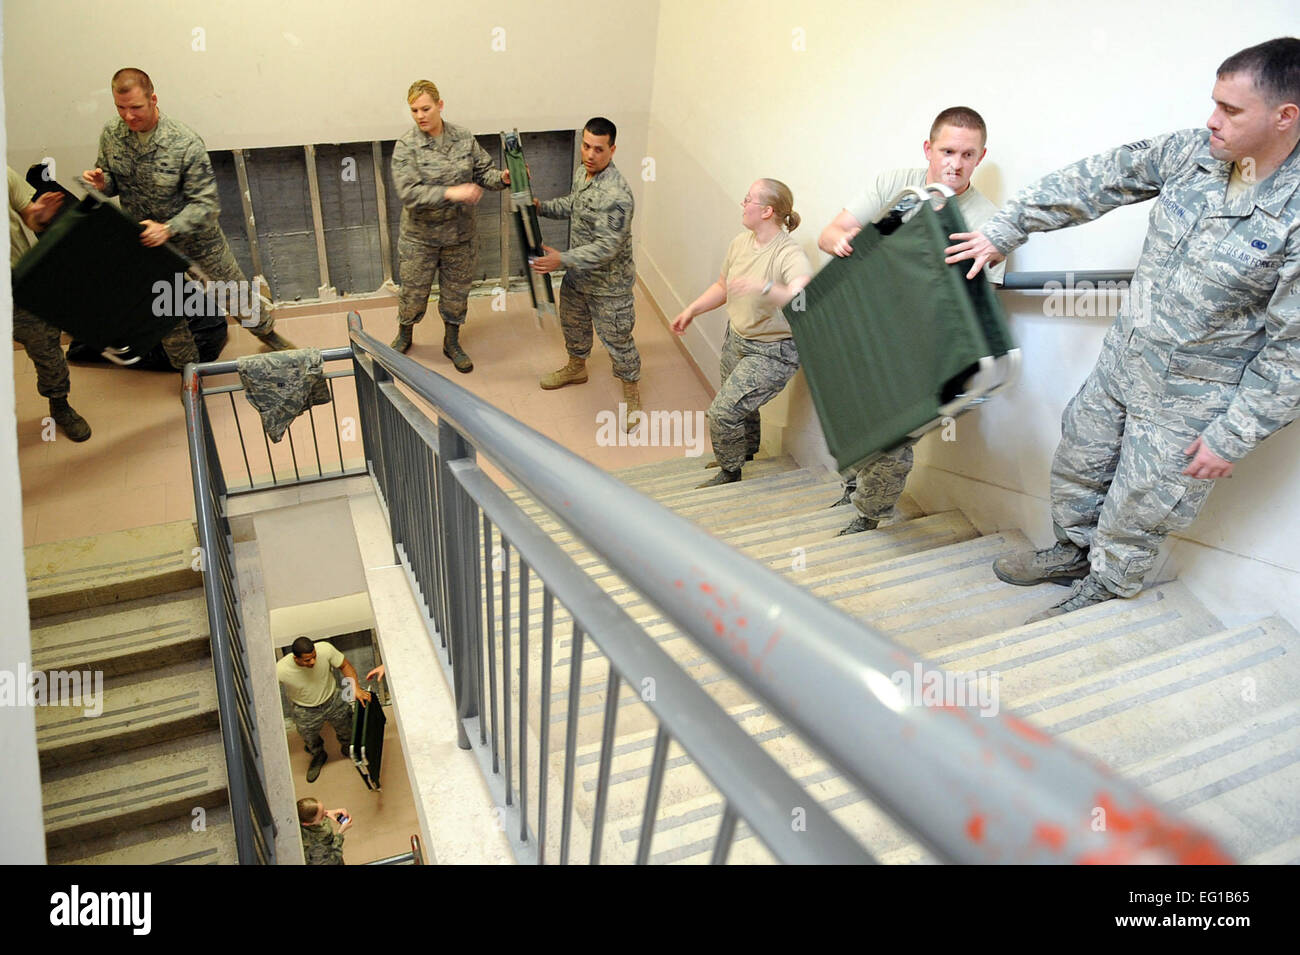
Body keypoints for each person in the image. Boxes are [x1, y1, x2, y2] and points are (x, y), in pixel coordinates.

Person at [945, 37, 1300, 623]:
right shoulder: (1194, 154)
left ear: (1285, 116)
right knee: (1079, 459)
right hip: (1124, 361)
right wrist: (1008, 227)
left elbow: (1292, 353)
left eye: (1231, 110)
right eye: (1213, 102)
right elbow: (1095, 181)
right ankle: (1071, 552)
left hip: (1194, 399)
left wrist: (1232, 435)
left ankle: (1107, 589)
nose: (1212, 120)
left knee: (1141, 503)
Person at [818, 107, 1005, 535]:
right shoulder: (893, 185)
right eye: (947, 151)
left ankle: (868, 516)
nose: (956, 164)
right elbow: (829, 233)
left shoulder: (988, 223)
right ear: (929, 149)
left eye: (968, 154)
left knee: (893, 437)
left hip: (922, 348)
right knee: (854, 415)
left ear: (981, 156)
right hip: (866, 329)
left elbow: (977, 307)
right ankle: (852, 487)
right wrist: (845, 243)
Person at [81, 68, 294, 367]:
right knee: (166, 312)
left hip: (197, 240)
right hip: (147, 244)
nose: (128, 117)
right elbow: (114, 179)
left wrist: (168, 228)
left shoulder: (184, 142)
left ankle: (268, 336)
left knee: (234, 292)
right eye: (121, 108)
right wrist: (104, 183)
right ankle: (188, 372)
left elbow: (206, 205)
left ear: (153, 99)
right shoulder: (112, 134)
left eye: (136, 108)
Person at [671, 179, 812, 487]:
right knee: (742, 409)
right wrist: (692, 310)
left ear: (767, 211)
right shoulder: (740, 243)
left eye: (748, 199)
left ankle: (731, 472)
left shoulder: (789, 254)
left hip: (773, 351)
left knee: (723, 412)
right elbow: (723, 287)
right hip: (736, 339)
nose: (743, 203)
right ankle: (746, 454)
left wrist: (763, 287)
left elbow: (801, 298)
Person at [389, 79, 511, 370]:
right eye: (414, 110)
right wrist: (450, 192)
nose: (420, 115)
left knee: (456, 293)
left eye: (426, 108)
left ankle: (451, 341)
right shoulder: (407, 146)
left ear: (440, 105)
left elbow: (484, 173)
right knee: (413, 293)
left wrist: (503, 179)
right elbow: (409, 193)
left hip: (460, 237)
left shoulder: (464, 138)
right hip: (420, 239)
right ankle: (405, 333)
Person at [532, 117, 641, 430]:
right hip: (578, 277)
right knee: (574, 326)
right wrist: (543, 207)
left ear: (612, 150)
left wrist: (561, 260)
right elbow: (574, 204)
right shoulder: (583, 172)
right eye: (586, 146)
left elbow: (607, 247)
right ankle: (576, 367)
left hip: (609, 286)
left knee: (618, 341)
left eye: (598, 149)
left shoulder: (617, 195)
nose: (590, 154)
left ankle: (632, 391)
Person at [8, 166, 90, 441]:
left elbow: (28, 215)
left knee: (47, 348)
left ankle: (60, 406)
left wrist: (38, 217)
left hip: (18, 282)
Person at [276, 637, 371, 782]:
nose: (313, 662)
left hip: (332, 699)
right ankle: (318, 755)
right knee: (309, 738)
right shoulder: (280, 670)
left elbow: (345, 665)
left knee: (347, 727)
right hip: (305, 709)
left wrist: (355, 688)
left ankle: (349, 749)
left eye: (314, 657)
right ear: (296, 658)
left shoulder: (325, 649)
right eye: (307, 660)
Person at [297, 797, 350, 865]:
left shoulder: (302, 817)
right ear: (307, 823)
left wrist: (329, 812)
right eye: (322, 816)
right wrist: (340, 833)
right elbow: (333, 861)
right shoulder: (311, 846)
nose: (326, 813)